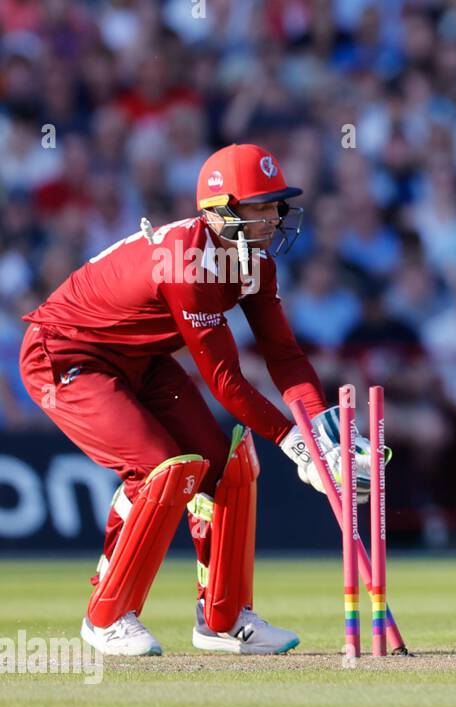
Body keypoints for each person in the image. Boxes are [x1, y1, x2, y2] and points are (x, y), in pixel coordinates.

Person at [19, 143, 376, 656]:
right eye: (261, 206)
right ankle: (106, 616)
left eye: (277, 205)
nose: (275, 218)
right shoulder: (185, 263)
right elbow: (226, 381)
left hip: (140, 360)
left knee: (222, 467)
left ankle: (223, 620)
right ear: (221, 212)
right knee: (160, 468)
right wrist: (298, 448)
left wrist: (322, 433)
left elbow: (285, 356)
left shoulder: (254, 264)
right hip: (67, 355)